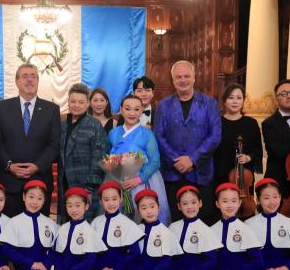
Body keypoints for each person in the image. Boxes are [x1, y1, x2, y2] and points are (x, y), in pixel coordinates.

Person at [154, 61, 221, 224]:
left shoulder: (209, 103)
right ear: (173, 80)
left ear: (194, 78)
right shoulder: (163, 105)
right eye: (178, 77)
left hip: (201, 171)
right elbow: (158, 135)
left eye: (186, 76)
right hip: (172, 172)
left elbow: (215, 135)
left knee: (204, 218)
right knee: (175, 220)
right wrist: (176, 160)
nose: (183, 80)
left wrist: (192, 159)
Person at [0, 64, 61, 216]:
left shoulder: (52, 109)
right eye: (24, 76)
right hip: (9, 183)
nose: (29, 80)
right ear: (17, 81)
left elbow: (54, 145)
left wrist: (37, 166)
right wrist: (9, 165)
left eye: (33, 76)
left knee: (39, 232)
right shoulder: (2, 108)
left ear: (38, 80)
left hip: (39, 183)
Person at [107, 94, 170, 224]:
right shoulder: (113, 133)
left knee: (143, 217)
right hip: (118, 181)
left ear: (142, 111)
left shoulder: (147, 133)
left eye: (137, 109)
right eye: (128, 108)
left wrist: (138, 179)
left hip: (143, 181)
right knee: (118, 219)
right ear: (121, 109)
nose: (132, 113)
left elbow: (155, 161)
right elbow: (110, 157)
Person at [58, 83, 108, 223]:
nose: (76, 105)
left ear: (87, 104)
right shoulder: (62, 124)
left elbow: (99, 157)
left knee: (85, 224)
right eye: (73, 101)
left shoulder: (94, 125)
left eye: (81, 102)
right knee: (67, 222)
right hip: (65, 181)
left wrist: (90, 188)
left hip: (85, 185)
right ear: (68, 102)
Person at [0, 180, 55, 270]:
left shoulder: (50, 223)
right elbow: (7, 250)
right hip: (23, 268)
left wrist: (45, 264)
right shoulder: (15, 221)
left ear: (44, 201)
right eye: (31, 197)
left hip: (44, 268)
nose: (35, 202)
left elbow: (55, 250)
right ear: (24, 197)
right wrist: (31, 264)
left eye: (40, 198)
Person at [48, 187, 107, 270]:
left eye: (78, 205)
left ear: (86, 206)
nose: (73, 210)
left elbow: (90, 261)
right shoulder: (63, 229)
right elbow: (58, 254)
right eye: (69, 206)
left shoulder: (88, 230)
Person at [91, 181, 144, 270]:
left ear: (121, 199)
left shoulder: (127, 223)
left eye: (114, 199)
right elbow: (91, 252)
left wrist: (115, 269)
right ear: (100, 202)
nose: (111, 203)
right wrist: (101, 268)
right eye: (106, 199)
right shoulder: (96, 223)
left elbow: (134, 254)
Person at [167, 185, 221, 270]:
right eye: (185, 203)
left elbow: (210, 261)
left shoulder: (206, 230)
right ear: (179, 206)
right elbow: (168, 257)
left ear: (200, 203)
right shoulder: (173, 227)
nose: (190, 207)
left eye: (193, 202)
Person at [124, 189, 181, 270]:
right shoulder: (136, 230)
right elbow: (131, 258)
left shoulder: (165, 232)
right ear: (138, 211)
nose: (149, 211)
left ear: (158, 208)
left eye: (152, 206)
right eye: (144, 208)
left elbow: (165, 263)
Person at [210, 183, 263, 270]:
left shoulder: (246, 229)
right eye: (225, 201)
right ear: (217, 203)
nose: (229, 205)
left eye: (234, 201)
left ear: (239, 203)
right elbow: (209, 261)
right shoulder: (211, 230)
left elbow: (257, 261)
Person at [213, 84, 262, 185]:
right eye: (231, 98)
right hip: (220, 174)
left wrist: (248, 157)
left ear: (243, 101)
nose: (235, 101)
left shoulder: (251, 123)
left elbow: (257, 150)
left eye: (239, 98)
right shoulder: (216, 122)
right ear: (224, 101)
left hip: (244, 176)